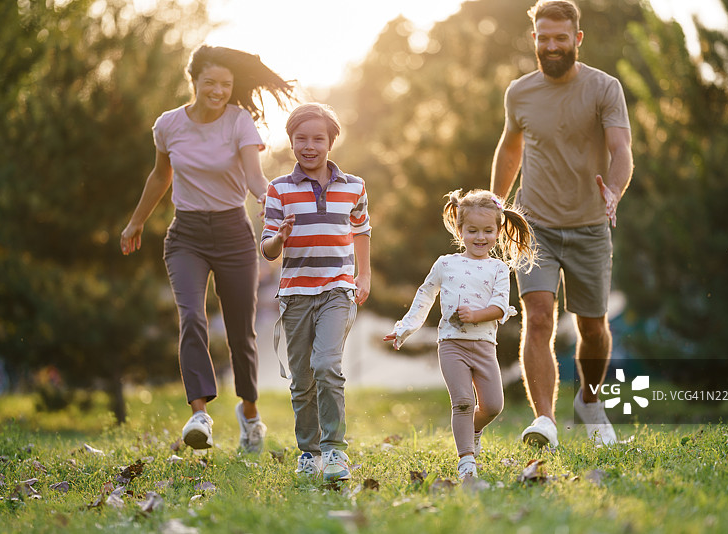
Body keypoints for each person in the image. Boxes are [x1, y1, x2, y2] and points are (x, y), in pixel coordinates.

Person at [120, 45, 293, 453]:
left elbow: (255, 178)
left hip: (233, 233)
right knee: (192, 317)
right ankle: (199, 414)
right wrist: (136, 221)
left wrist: (276, 204)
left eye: (226, 84)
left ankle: (250, 415)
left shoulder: (239, 122)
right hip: (187, 235)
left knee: (240, 331)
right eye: (210, 82)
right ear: (193, 80)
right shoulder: (168, 125)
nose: (218, 90)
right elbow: (160, 176)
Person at [490, 0, 634, 449]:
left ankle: (589, 401)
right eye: (544, 38)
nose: (552, 46)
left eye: (561, 38)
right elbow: (510, 148)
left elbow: (621, 148)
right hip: (534, 226)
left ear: (577, 39)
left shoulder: (604, 88)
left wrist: (613, 190)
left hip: (590, 225)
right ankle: (546, 422)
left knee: (593, 327)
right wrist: (496, 201)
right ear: (534, 38)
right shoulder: (519, 92)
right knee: (537, 319)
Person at [384, 189, 535, 479]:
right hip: (452, 345)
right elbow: (425, 295)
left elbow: (501, 306)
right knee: (463, 401)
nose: (481, 237)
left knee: (493, 405)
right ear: (460, 229)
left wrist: (476, 315)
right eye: (473, 230)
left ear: (498, 231)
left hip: (485, 346)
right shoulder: (446, 264)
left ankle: (474, 429)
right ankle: (466, 460)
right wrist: (405, 327)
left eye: (488, 231)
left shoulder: (498, 269)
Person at [261, 103, 371, 482]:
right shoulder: (278, 189)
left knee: (326, 365)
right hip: (295, 294)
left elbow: (361, 231)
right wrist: (279, 237)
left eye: (318, 139)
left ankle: (335, 452)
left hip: (337, 289)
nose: (309, 146)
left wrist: (364, 275)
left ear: (331, 141)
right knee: (302, 378)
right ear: (291, 141)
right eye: (301, 139)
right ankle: (309, 454)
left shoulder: (353, 186)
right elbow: (267, 249)